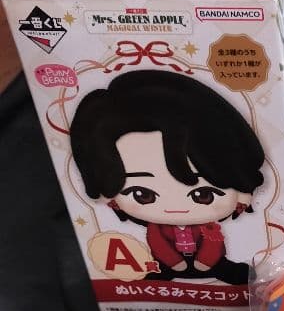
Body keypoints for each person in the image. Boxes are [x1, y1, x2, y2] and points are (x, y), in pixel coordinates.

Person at [70, 70, 265, 285]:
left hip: (211, 264)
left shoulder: (209, 227)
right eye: (142, 194)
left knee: (225, 269)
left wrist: (205, 262)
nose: (175, 208)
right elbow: (158, 244)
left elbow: (213, 244)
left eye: (203, 195)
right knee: (158, 274)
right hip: (167, 267)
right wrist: (174, 263)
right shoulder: (157, 229)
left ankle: (219, 269)